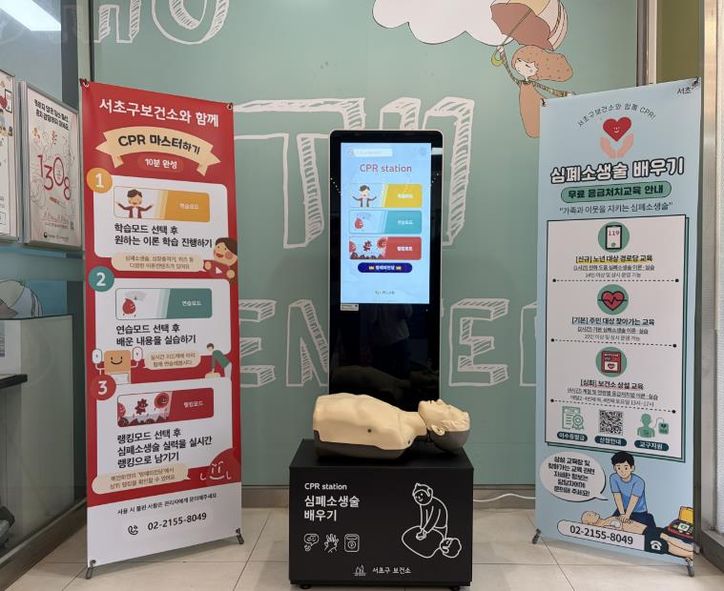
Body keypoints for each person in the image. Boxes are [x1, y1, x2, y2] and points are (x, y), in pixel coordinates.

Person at [313, 394, 470, 459]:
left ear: (438, 430)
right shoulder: (397, 415)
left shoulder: (396, 437)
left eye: (446, 409)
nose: (441, 401)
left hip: (320, 418)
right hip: (323, 406)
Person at [496, 44, 573, 138]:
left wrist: (564, 94)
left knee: (545, 117)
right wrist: (502, 53)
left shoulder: (533, 83)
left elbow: (548, 89)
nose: (521, 66)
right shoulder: (520, 82)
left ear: (536, 71)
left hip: (537, 102)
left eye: (527, 66)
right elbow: (509, 72)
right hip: (526, 106)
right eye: (519, 61)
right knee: (530, 120)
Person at [609, 451, 656, 529]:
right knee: (611, 524)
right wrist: (622, 514)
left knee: (640, 529)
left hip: (638, 511)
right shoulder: (614, 478)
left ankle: (649, 518)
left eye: (626, 468)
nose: (622, 471)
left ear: (632, 468)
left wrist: (627, 515)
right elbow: (617, 496)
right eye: (619, 468)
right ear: (614, 468)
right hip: (622, 509)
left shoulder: (639, 482)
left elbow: (634, 500)